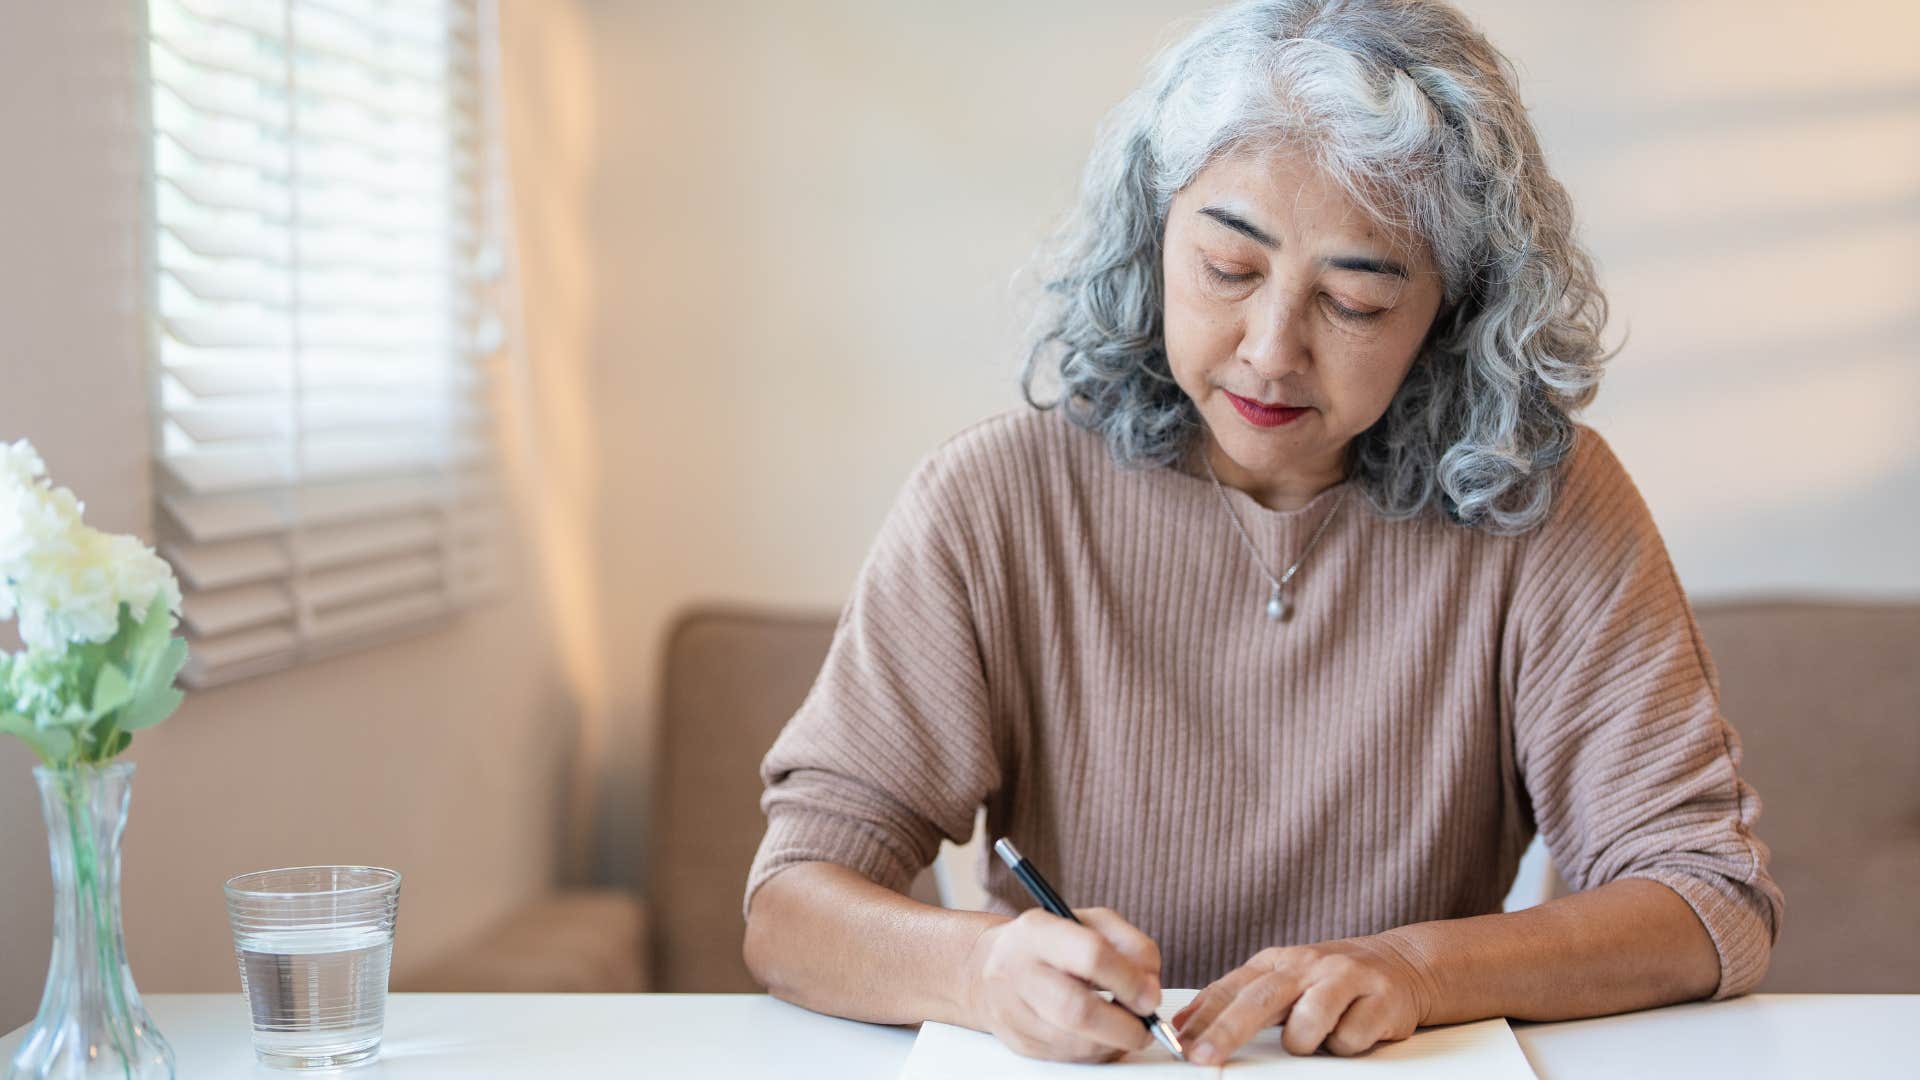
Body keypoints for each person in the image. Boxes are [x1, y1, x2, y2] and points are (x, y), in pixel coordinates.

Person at [741, 0, 1782, 1066]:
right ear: (1152, 236)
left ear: (1452, 314)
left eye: (1357, 302)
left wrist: (1420, 969)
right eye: (1229, 270)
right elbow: (791, 908)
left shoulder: (1545, 506)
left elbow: (1710, 901)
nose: (1272, 350)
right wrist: (978, 970)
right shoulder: (993, 503)